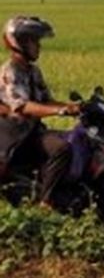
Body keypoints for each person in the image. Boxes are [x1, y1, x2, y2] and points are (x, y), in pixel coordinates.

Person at [0, 16, 79, 206]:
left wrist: (73, 107)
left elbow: (46, 100)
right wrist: (59, 111)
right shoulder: (10, 71)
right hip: (16, 135)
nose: (38, 46)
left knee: (77, 140)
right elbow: (23, 106)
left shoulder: (33, 71)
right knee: (61, 148)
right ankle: (46, 202)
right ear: (19, 43)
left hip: (33, 131)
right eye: (33, 41)